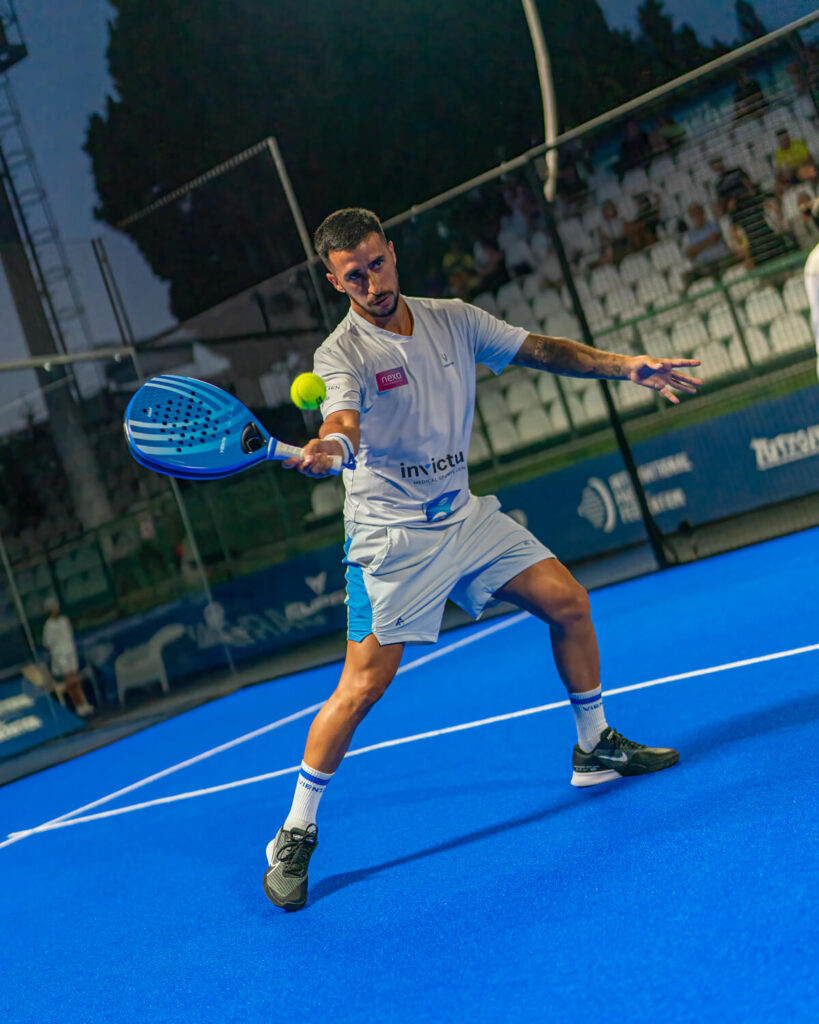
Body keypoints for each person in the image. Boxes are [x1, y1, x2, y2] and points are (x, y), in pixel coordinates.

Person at [262, 208, 702, 911]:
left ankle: (593, 748)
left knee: (568, 602)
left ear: (391, 253)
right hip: (391, 540)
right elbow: (341, 422)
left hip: (462, 516)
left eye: (377, 264)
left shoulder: (453, 319)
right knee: (362, 687)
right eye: (354, 276)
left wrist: (627, 367)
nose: (372, 283)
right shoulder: (340, 354)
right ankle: (295, 830)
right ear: (333, 281)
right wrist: (332, 449)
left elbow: (541, 349)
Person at [42, 597, 93, 717]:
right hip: (61, 657)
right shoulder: (48, 626)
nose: (56, 608)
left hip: (70, 653)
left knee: (76, 679)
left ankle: (84, 703)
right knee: (70, 682)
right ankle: (78, 706)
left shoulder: (64, 621)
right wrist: (57, 656)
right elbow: (48, 644)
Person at [682, 202, 734, 282]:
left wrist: (697, 247)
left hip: (721, 259)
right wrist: (706, 242)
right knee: (687, 276)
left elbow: (715, 238)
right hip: (704, 266)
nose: (696, 216)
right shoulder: (688, 235)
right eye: (693, 215)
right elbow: (689, 253)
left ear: (703, 213)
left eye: (698, 213)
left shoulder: (714, 224)